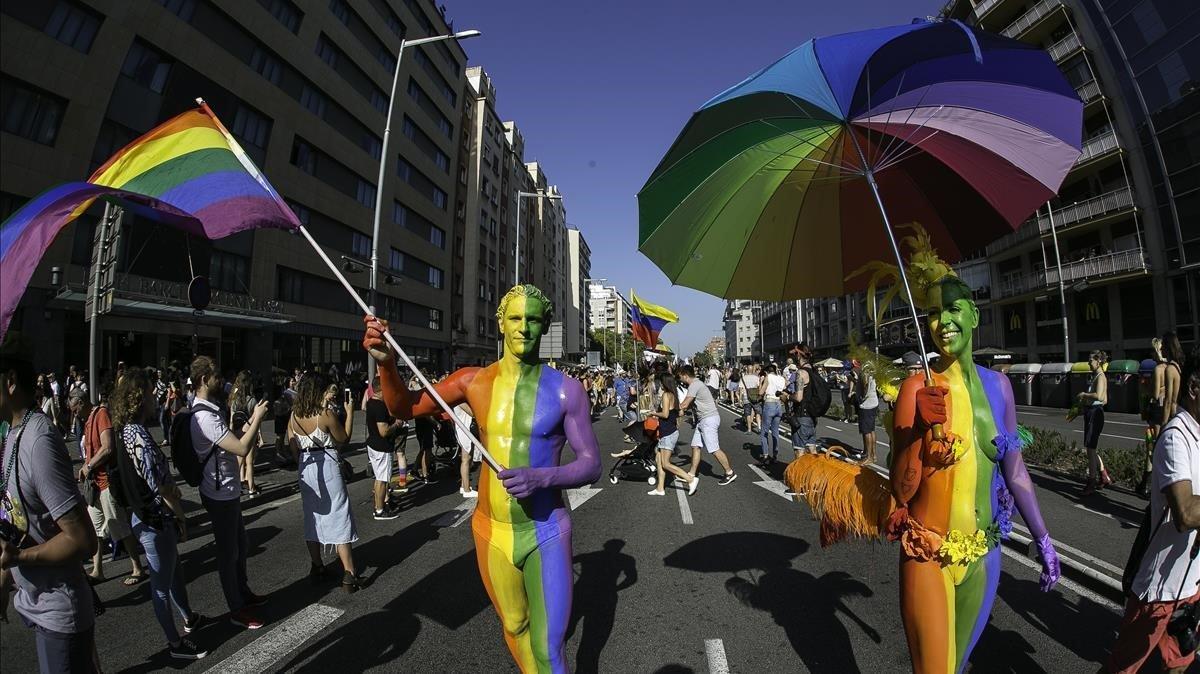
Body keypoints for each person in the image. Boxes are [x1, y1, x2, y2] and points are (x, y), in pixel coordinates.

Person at [364, 283, 601, 673]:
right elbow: (404, 407)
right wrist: (387, 363)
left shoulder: (567, 391)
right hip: (491, 531)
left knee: (549, 646)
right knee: (514, 624)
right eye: (516, 318)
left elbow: (592, 463)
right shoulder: (472, 381)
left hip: (546, 530)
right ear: (501, 325)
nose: (524, 327)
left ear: (544, 328)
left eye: (534, 320)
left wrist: (541, 477)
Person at [1, 339, 99, 672]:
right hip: (32, 603)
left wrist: (20, 558)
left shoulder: (38, 441)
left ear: (10, 380)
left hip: (60, 613)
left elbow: (83, 539)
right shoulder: (13, 434)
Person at [1104, 348, 1200, 674]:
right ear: (1194, 387)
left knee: (1180, 662)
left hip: (1190, 584)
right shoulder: (1176, 438)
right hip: (1158, 591)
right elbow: (1185, 512)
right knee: (1123, 668)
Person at [110, 368, 208, 659]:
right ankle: (175, 644)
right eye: (152, 394)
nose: (156, 399)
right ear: (140, 399)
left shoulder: (125, 432)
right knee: (161, 586)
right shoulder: (137, 435)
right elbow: (161, 486)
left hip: (145, 516)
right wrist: (181, 514)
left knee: (174, 570)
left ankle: (189, 617)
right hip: (155, 517)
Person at [188, 356, 270, 630]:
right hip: (219, 493)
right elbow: (241, 449)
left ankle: (243, 594)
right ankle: (236, 608)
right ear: (203, 380)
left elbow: (231, 438)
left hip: (228, 490)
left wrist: (247, 425)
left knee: (241, 546)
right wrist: (257, 419)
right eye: (216, 376)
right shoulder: (204, 417)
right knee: (228, 553)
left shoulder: (211, 409)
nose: (221, 380)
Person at [288, 373, 362, 592]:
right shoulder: (325, 414)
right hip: (327, 466)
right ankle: (349, 573)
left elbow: (292, 448)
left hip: (305, 465)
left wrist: (303, 461)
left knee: (313, 516)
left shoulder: (294, 416)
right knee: (339, 516)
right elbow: (344, 439)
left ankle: (317, 565)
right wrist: (349, 414)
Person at [70, 389, 146, 585]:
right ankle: (97, 570)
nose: (74, 413)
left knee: (118, 525)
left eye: (75, 409)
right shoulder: (87, 420)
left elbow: (108, 447)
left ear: (82, 402)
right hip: (95, 485)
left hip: (106, 482)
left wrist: (88, 465)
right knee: (95, 529)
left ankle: (137, 567)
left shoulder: (101, 414)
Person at [678, 364, 737, 486]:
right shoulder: (696, 384)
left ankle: (729, 472)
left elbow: (685, 404)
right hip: (703, 420)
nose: (680, 379)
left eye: (680, 376)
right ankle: (691, 475)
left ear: (685, 375)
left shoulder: (694, 385)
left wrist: (668, 409)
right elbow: (689, 405)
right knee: (695, 446)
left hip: (708, 419)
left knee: (714, 449)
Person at [647, 372, 696, 496]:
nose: (659, 385)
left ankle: (690, 479)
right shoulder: (674, 394)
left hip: (668, 432)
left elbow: (665, 414)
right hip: (669, 430)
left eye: (660, 382)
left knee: (665, 463)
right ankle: (660, 488)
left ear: (664, 383)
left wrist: (653, 413)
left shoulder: (665, 395)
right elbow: (680, 413)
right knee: (659, 460)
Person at [365, 378, 401, 520]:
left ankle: (381, 505)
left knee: (379, 478)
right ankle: (379, 510)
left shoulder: (371, 402)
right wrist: (397, 424)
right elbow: (384, 431)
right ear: (381, 389)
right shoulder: (379, 406)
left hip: (374, 444)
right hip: (381, 446)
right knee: (382, 479)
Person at [1078, 350, 1113, 495]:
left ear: (1098, 361)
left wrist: (1084, 395)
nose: (1088, 363)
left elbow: (1098, 396)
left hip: (1094, 414)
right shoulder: (1098, 377)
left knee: (1090, 449)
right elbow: (1104, 399)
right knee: (1091, 448)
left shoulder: (1100, 377)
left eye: (1090, 360)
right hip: (1094, 412)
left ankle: (1091, 482)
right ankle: (1103, 475)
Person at [228, 371, 262, 498]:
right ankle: (252, 488)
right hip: (249, 431)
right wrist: (260, 436)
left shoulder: (234, 399)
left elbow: (231, 418)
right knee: (249, 462)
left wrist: (230, 432)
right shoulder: (252, 400)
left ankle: (237, 484)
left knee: (238, 461)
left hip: (237, 431)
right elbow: (257, 419)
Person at [789, 344, 819, 456]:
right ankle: (815, 473)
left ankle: (800, 473)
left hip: (802, 416)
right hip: (812, 417)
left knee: (799, 451)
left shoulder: (801, 373)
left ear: (798, 355)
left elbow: (798, 397)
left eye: (794, 354)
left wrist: (787, 397)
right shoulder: (813, 371)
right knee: (812, 450)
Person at [758, 364, 788, 466]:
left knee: (764, 432)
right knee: (775, 432)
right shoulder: (781, 378)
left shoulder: (768, 377)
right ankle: (775, 455)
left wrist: (761, 383)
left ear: (766, 372)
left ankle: (765, 455)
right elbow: (784, 389)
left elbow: (761, 392)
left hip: (769, 403)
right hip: (778, 405)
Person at [453, 403, 479, 498]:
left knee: (467, 458)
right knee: (466, 459)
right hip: (464, 430)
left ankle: (463, 486)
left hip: (464, 429)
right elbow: (472, 413)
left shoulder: (459, 401)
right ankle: (467, 490)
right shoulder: (460, 402)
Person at [858, 362, 880, 466]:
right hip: (874, 402)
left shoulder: (865, 371)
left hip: (866, 404)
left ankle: (869, 457)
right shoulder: (873, 371)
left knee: (867, 431)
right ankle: (873, 455)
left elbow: (865, 385)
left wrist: (862, 397)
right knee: (871, 430)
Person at [741, 363, 762, 434]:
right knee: (757, 412)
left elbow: (741, 389)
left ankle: (749, 430)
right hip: (755, 397)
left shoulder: (743, 378)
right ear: (753, 369)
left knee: (748, 414)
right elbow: (759, 387)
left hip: (746, 397)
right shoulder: (756, 378)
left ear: (747, 370)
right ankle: (759, 427)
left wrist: (740, 399)